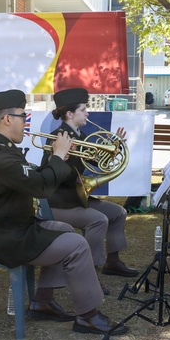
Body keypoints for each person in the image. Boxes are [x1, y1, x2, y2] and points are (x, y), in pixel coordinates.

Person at [0, 89, 128, 336]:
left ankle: (43, 301)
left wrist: (58, 159)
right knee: (76, 245)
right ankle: (88, 316)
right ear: (7, 120)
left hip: (12, 230)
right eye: (23, 116)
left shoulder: (2, 149)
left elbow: (34, 178)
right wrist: (57, 156)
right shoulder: (3, 156)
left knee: (65, 230)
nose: (26, 121)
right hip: (8, 238)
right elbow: (41, 188)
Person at [40, 87, 138, 294]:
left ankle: (112, 262)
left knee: (118, 213)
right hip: (59, 202)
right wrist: (60, 157)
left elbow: (97, 162)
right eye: (84, 109)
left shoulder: (80, 135)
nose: (88, 113)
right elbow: (49, 174)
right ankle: (90, 273)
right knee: (98, 220)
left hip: (75, 198)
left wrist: (114, 148)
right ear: (69, 114)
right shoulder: (57, 137)